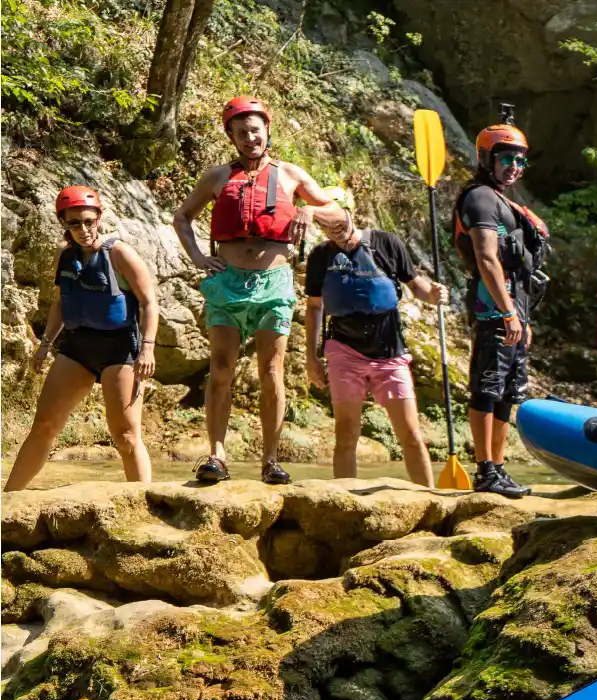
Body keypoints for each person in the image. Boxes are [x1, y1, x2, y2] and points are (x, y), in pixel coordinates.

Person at [172, 95, 345, 484]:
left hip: (274, 284)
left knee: (271, 372)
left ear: (267, 130)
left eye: (255, 130)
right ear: (231, 137)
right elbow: (182, 217)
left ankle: (270, 459)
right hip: (228, 282)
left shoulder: (291, 175)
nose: (249, 137)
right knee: (220, 369)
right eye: (241, 132)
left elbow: (339, 215)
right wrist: (199, 258)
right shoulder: (217, 177)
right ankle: (216, 456)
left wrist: (309, 210)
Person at [5, 187, 157, 491]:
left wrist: (148, 349)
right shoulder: (65, 257)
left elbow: (149, 302)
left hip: (120, 349)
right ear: (64, 223)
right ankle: (8, 500)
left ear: (99, 217)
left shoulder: (119, 253)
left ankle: (145, 504)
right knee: (44, 426)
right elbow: (61, 305)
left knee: (126, 436)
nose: (83, 229)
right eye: (74, 223)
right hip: (78, 347)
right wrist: (45, 344)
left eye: (88, 220)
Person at [303, 208, 446, 486]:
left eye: (339, 221)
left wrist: (434, 294)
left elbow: (416, 286)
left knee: (411, 435)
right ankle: (346, 505)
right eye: (327, 225)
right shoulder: (320, 256)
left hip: (389, 350)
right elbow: (314, 307)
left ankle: (429, 499)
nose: (336, 229)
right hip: (343, 350)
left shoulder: (386, 242)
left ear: (350, 214)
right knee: (346, 434)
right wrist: (312, 358)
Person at [453, 122, 551, 498]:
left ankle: (498, 468)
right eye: (507, 158)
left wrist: (521, 316)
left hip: (514, 307)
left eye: (520, 160)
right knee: (488, 387)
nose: (514, 166)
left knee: (509, 391)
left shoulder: (500, 198)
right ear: (486, 159)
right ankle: (484, 469)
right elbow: (487, 258)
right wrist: (509, 312)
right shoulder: (479, 198)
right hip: (494, 307)